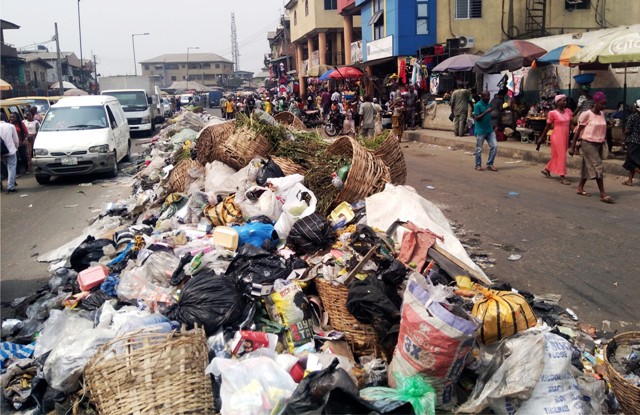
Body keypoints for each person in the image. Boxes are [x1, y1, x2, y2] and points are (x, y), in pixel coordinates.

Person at [570, 91, 614, 203]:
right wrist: (573, 146)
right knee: (597, 165)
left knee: (586, 165)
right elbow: (578, 130)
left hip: (599, 143)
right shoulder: (587, 114)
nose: (604, 106)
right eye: (602, 104)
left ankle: (580, 187)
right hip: (588, 143)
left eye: (605, 104)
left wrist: (609, 127)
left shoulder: (602, 114)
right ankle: (603, 194)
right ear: (595, 102)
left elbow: (600, 127)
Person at [539, 94, 573, 184]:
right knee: (561, 155)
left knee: (557, 155)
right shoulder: (552, 113)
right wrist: (542, 137)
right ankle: (562, 176)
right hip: (557, 136)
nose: (564, 102)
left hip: (565, 136)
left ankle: (547, 169)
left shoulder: (568, 112)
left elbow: (571, 124)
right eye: (562, 101)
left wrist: (576, 132)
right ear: (557, 102)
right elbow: (547, 127)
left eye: (565, 100)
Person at [473, 91, 498, 171]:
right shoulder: (477, 105)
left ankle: (490, 164)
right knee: (479, 149)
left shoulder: (488, 104)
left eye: (489, 96)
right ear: (482, 97)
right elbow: (476, 118)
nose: (488, 98)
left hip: (489, 129)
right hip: (480, 130)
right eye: (486, 96)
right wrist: (486, 111)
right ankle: (478, 165)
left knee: (494, 146)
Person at [621, 99, 640, 186]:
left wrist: (623, 134)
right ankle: (630, 180)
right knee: (633, 162)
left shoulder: (632, 116)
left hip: (632, 142)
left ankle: (630, 180)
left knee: (630, 162)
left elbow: (628, 130)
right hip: (638, 142)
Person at [1, 112, 20, 193]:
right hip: (10, 150)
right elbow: (16, 140)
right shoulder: (10, 126)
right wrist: (16, 147)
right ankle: (11, 186)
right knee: (11, 168)